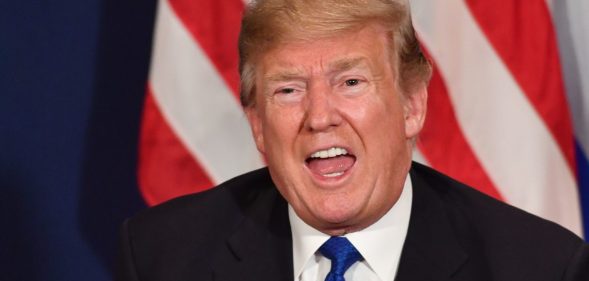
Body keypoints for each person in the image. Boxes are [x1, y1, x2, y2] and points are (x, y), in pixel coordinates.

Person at [116, 0, 589, 280]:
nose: (320, 117)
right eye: (288, 89)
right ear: (258, 124)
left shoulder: (537, 268)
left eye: (351, 82)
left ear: (412, 105)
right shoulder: (163, 258)